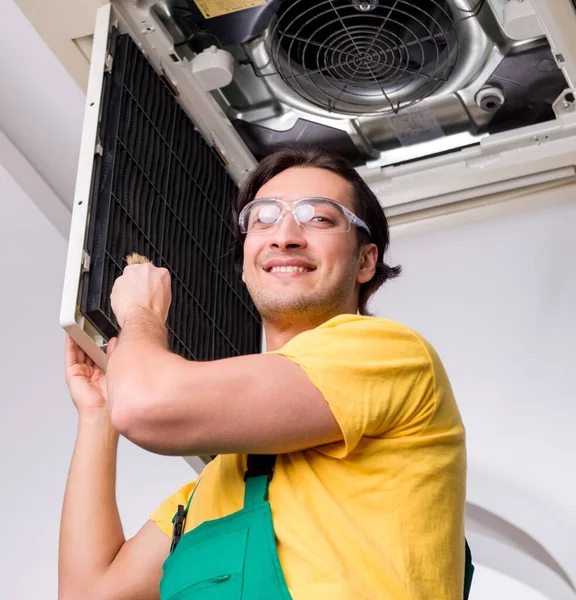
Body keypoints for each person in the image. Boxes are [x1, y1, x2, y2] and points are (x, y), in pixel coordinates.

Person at [59, 146, 468, 600]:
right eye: (264, 219)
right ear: (246, 261)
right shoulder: (206, 494)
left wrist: (141, 316)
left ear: (366, 261)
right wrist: (98, 414)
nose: (285, 236)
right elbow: (88, 593)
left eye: (320, 218)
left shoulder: (388, 356)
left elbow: (145, 407)